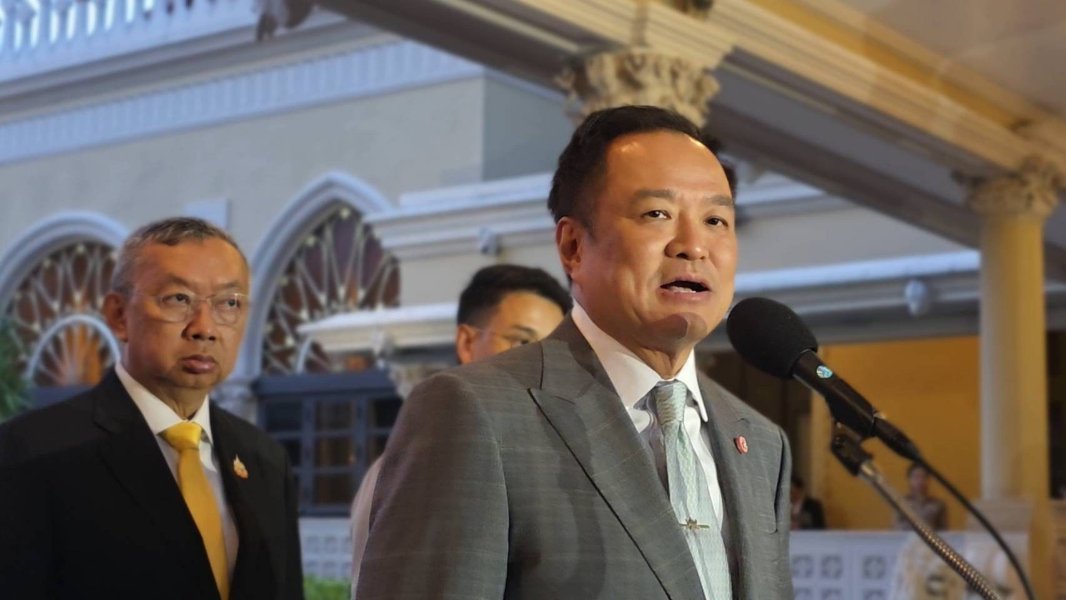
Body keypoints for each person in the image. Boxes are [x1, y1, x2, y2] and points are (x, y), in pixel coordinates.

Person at [356, 105, 793, 599]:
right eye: (657, 214)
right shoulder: (475, 412)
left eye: (716, 220)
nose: (694, 246)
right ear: (573, 247)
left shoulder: (761, 443)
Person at [0, 217, 303, 599]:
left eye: (229, 303)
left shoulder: (266, 460)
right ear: (118, 315)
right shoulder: (31, 451)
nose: (205, 328)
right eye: (178, 299)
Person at [349, 264, 571, 595]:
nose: (538, 365)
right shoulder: (432, 458)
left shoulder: (545, 459)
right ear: (467, 342)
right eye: (522, 341)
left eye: (550, 351)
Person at [894, 462, 947, 530]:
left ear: (928, 480)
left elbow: (944, 531)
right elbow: (896, 529)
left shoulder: (938, 505)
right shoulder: (900, 503)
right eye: (916, 477)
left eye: (923, 477)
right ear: (909, 479)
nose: (920, 481)